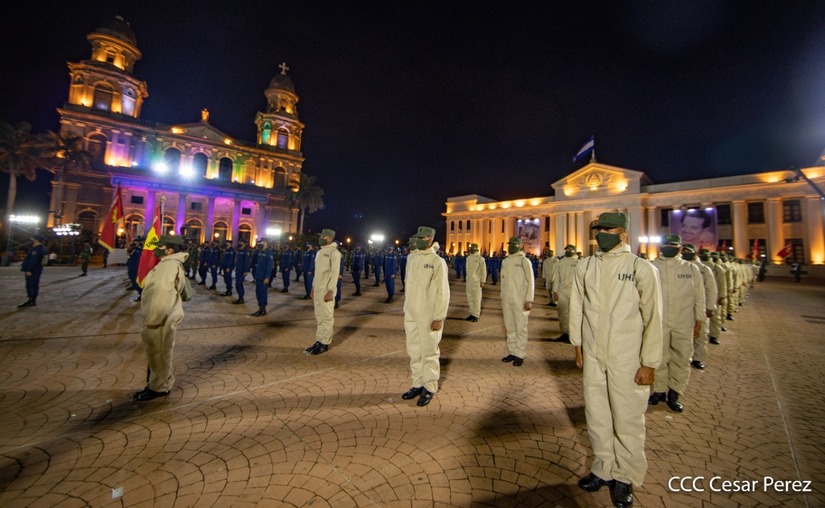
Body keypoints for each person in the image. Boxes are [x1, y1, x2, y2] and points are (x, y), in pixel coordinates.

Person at [570, 212, 663, 508]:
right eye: (599, 229)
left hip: (627, 355)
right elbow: (577, 306)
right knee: (597, 414)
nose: (602, 234)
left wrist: (649, 362)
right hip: (594, 352)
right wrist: (577, 344)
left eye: (608, 230)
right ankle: (603, 467)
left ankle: (625, 475)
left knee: (627, 418)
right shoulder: (586, 266)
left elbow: (653, 317)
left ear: (623, 233)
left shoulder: (640, 267)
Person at [649, 235, 704, 413]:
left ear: (679, 248)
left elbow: (699, 295)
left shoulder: (690, 268)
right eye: (666, 245)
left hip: (684, 320)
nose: (669, 248)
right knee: (658, 356)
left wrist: (699, 319)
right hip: (660, 320)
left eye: (672, 245)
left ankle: (675, 392)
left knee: (682, 357)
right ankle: (659, 390)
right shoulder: (652, 266)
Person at [133, 235, 189, 401]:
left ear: (170, 250)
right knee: (157, 353)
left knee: (160, 354)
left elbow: (162, 294)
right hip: (162, 315)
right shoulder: (168, 264)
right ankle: (155, 384)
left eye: (161, 247)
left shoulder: (169, 266)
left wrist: (153, 319)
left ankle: (159, 388)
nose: (156, 249)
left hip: (161, 317)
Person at [401, 226, 450, 407]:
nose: (417, 240)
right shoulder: (412, 258)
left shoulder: (437, 262)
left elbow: (443, 292)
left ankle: (429, 386)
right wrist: (407, 309)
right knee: (414, 350)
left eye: (421, 238)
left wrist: (439, 317)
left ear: (429, 239)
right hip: (412, 312)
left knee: (429, 352)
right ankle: (417, 383)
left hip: (428, 314)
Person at [302, 229, 343, 354]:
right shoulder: (320, 252)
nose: (321, 238)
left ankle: (324, 343)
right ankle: (319, 340)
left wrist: (331, 291)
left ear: (330, 238)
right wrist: (313, 287)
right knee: (319, 316)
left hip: (326, 290)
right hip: (318, 289)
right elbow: (317, 272)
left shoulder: (334, 253)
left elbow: (335, 274)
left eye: (324, 237)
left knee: (326, 317)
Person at [500, 237, 535, 366]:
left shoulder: (524, 261)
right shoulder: (505, 261)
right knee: (509, 327)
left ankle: (520, 353)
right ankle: (512, 351)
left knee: (520, 327)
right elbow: (503, 280)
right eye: (509, 244)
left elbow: (530, 281)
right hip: (507, 298)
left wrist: (529, 299)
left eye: (513, 244)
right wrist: (502, 295)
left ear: (519, 246)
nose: (510, 246)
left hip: (520, 299)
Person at [684, 245, 716, 370]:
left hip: (700, 304)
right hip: (683, 307)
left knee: (701, 334)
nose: (686, 253)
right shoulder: (678, 267)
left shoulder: (704, 269)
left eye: (689, 251)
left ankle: (699, 358)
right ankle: (686, 357)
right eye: (684, 251)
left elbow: (711, 289)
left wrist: (710, 306)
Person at [554, 244, 579, 342]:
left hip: (574, 290)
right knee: (562, 313)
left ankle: (573, 334)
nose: (567, 251)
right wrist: (555, 291)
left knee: (573, 313)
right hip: (562, 291)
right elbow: (557, 277)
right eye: (566, 249)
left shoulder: (578, 263)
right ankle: (565, 332)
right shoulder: (561, 262)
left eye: (569, 249)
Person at [18, 234, 48, 308]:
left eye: (33, 239)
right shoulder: (42, 248)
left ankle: (31, 300)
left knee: (31, 284)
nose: (32, 240)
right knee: (33, 284)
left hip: (34, 270)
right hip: (36, 269)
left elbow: (33, 260)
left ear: (36, 240)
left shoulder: (37, 249)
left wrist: (28, 269)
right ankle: (32, 300)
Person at [251, 239, 274, 317]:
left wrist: (267, 277)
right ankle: (260, 308)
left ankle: (263, 309)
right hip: (258, 276)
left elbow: (269, 266)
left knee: (263, 293)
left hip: (264, 277)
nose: (261, 243)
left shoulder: (269, 253)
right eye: (261, 242)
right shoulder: (260, 252)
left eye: (263, 242)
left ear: (267, 243)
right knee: (258, 292)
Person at [464, 243, 487, 322]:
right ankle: (472, 313)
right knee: (470, 298)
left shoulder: (480, 259)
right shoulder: (468, 258)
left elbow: (483, 270)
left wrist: (483, 281)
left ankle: (476, 315)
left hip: (477, 282)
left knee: (476, 299)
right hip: (469, 281)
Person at [232, 240, 251, 304]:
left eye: (242, 242)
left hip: (242, 271)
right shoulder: (239, 251)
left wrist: (246, 270)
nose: (240, 243)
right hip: (238, 270)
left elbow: (247, 262)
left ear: (245, 244)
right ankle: (240, 297)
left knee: (238, 284)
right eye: (239, 242)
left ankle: (241, 298)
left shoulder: (246, 252)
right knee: (238, 284)